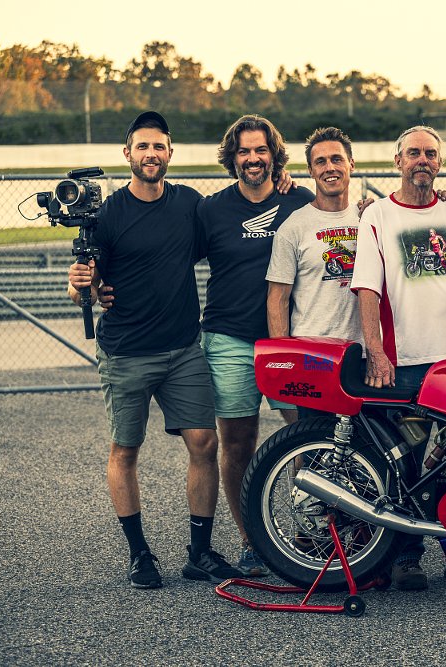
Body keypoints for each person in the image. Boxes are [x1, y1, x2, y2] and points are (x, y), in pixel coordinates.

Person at [67, 111, 242, 589]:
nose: (151, 154)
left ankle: (199, 553)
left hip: (183, 348)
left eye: (158, 146)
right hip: (126, 352)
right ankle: (139, 553)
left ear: (170, 152)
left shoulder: (189, 203)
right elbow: (84, 287)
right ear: (128, 154)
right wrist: (82, 285)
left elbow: (233, 217)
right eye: (142, 146)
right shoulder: (107, 214)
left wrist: (282, 184)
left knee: (205, 443)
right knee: (126, 450)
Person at [350, 125, 446, 590]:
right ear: (398, 161)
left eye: (430, 153)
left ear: (440, 162)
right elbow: (367, 289)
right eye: (413, 152)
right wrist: (376, 352)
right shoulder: (377, 215)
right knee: (407, 464)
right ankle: (406, 556)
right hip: (406, 366)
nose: (422, 160)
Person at [196, 114, 314, 575]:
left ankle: (309, 530)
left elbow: (341, 218)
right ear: (232, 157)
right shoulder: (212, 210)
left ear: (274, 155)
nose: (252, 158)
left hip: (287, 340)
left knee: (308, 435)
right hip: (229, 339)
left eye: (260, 150)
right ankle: (252, 541)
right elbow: (167, 255)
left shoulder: (297, 200)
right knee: (238, 443)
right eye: (244, 151)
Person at [266, 126, 362, 360]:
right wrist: (284, 358)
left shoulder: (368, 218)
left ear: (351, 164)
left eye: (337, 159)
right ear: (310, 170)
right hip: (312, 354)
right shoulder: (293, 227)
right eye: (320, 162)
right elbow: (277, 299)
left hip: (363, 353)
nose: (329, 168)